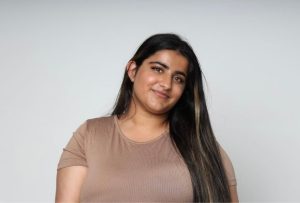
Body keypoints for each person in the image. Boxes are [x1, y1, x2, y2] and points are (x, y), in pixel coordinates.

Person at [55, 33, 238, 202]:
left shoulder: (203, 149)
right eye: (158, 69)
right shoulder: (89, 135)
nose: (166, 84)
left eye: (178, 78)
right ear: (133, 70)